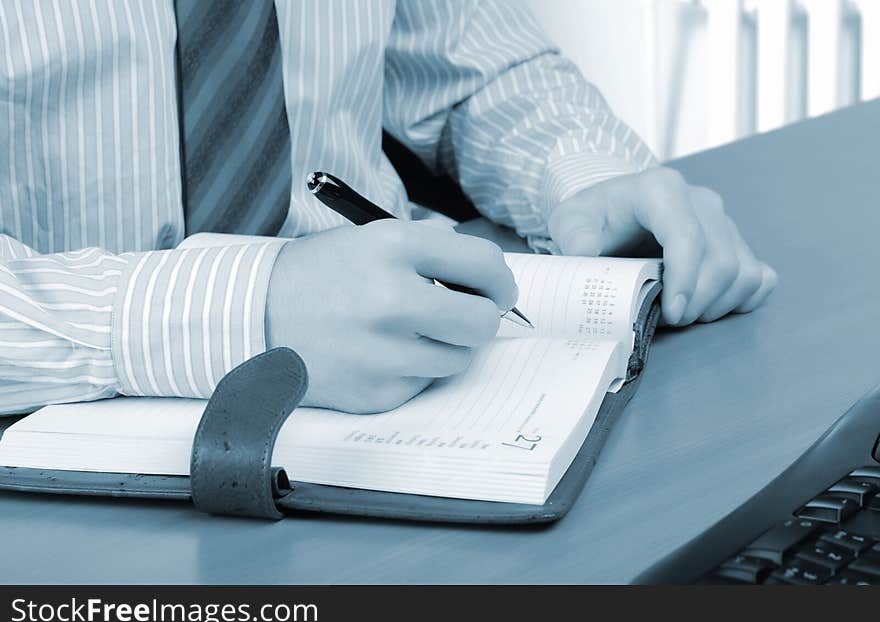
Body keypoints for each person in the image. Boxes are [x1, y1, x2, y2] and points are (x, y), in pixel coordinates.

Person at [0, 0, 776, 416]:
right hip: (62, 422)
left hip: (412, 383)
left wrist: (582, 172)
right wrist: (248, 305)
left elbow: (469, 60)